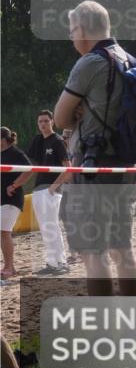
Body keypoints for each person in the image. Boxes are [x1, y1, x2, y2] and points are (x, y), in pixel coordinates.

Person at [53, 0, 136, 297]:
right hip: (126, 166)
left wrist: (76, 112)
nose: (71, 38)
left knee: (94, 253)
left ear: (83, 29)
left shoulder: (90, 62)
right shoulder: (129, 60)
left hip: (93, 168)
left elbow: (59, 118)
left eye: (71, 30)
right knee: (123, 250)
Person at [25, 110, 73, 275]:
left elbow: (69, 168)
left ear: (52, 121)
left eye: (46, 121)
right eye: (40, 122)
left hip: (52, 190)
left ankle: (60, 263)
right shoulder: (38, 140)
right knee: (46, 228)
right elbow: (30, 163)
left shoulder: (58, 141)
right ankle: (55, 262)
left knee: (51, 226)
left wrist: (53, 187)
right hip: (38, 189)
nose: (43, 124)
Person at [1, 128, 32, 280]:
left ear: (3, 139)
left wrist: (14, 185)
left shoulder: (15, 153)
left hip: (12, 198)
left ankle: (8, 267)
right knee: (3, 232)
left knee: (4, 231)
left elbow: (29, 170)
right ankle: (10, 266)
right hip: (2, 199)